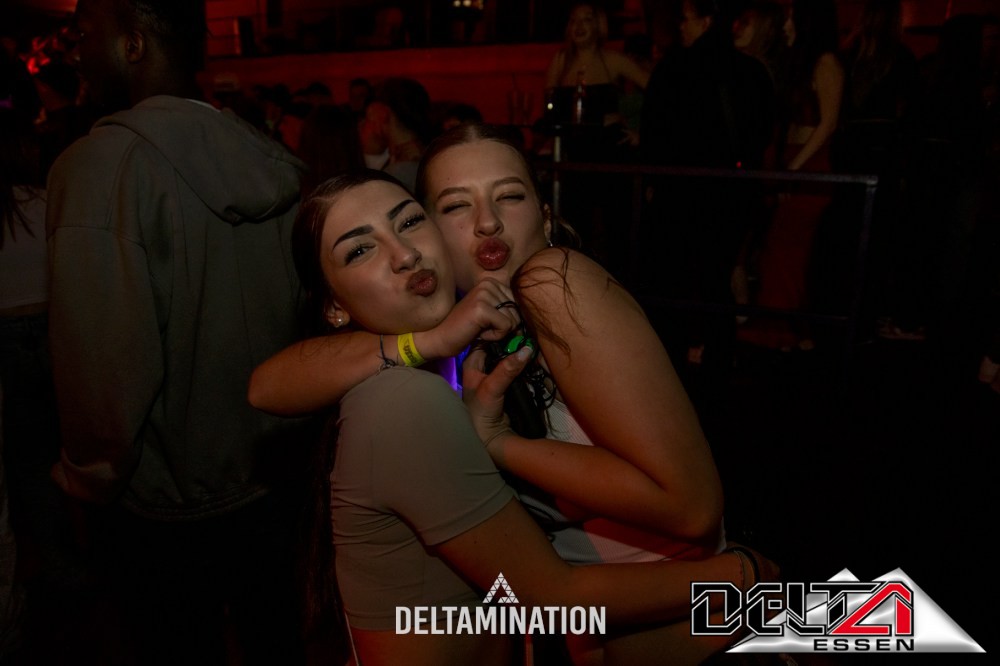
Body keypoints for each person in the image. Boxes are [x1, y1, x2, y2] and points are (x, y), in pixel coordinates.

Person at [251, 123, 730, 661]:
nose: (487, 222)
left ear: (545, 218)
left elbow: (691, 510)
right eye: (456, 206)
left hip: (701, 608)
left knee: (808, 619)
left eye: (510, 196)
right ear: (434, 231)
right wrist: (428, 341)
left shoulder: (551, 280)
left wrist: (500, 443)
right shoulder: (450, 331)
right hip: (617, 623)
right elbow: (268, 386)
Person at [46, 0, 309, 663]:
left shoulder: (99, 169)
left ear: (133, 44)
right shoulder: (267, 154)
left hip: (162, 506)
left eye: (85, 35)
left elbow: (103, 366)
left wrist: (87, 478)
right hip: (273, 480)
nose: (75, 52)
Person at [639, 0, 775, 376]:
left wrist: (653, 181)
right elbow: (762, 132)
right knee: (716, 280)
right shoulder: (750, 70)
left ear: (706, 20)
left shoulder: (674, 68)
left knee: (673, 283)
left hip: (679, 194)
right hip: (731, 192)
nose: (680, 26)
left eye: (685, 18)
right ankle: (718, 359)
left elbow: (654, 132)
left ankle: (671, 365)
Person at [736, 0, 845, 351]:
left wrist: (794, 169)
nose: (785, 24)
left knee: (788, 247)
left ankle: (781, 327)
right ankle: (790, 329)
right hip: (793, 161)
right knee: (781, 247)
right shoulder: (799, 62)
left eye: (791, 17)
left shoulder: (826, 62)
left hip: (810, 166)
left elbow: (829, 123)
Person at [362, 76, 434, 191]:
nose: (365, 124)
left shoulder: (397, 174)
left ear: (383, 113)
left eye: (368, 116)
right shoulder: (429, 158)